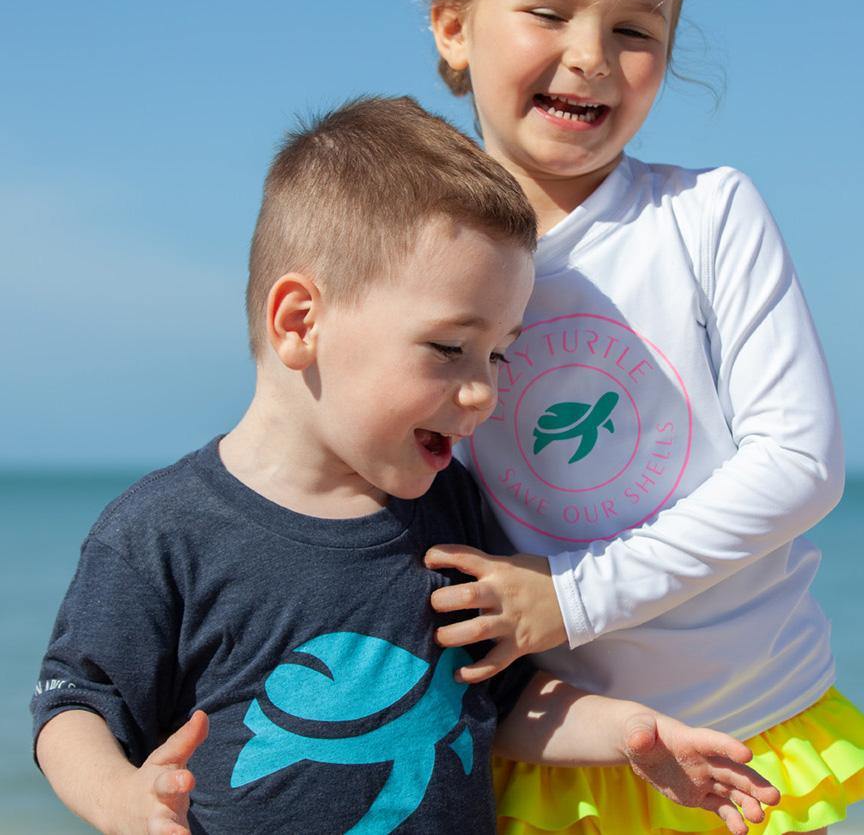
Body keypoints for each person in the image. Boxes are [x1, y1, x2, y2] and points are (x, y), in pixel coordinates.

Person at [30, 97, 778, 835]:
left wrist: (631, 733)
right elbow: (76, 703)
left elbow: (504, 703)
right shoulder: (162, 533)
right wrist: (120, 799)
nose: (484, 389)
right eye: (449, 348)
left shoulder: (450, 514)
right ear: (301, 322)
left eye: (499, 352)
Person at [427, 0, 864, 834]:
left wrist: (571, 594)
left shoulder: (706, 213)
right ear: (453, 26)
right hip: (545, 741)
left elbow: (799, 462)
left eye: (634, 28)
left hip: (745, 734)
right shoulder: (421, 250)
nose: (591, 55)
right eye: (549, 12)